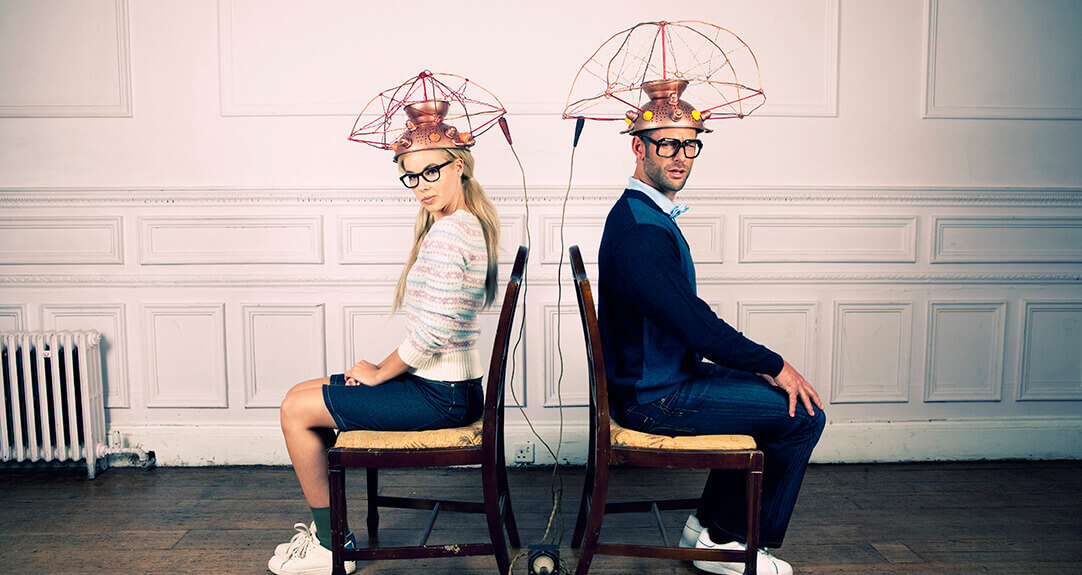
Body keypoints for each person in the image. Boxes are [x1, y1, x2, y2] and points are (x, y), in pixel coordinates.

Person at [596, 79, 825, 575]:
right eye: (667, 144)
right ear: (638, 147)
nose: (680, 156)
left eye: (690, 145)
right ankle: (730, 543)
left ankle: (707, 530)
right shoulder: (640, 232)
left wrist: (762, 369)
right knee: (801, 415)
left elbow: (689, 323)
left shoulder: (643, 213)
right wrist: (774, 364)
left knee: (777, 399)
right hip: (655, 398)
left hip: (669, 379)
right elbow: (697, 327)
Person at [268, 100, 500, 575]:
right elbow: (437, 328)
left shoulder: (451, 234)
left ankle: (333, 546)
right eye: (411, 177)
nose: (422, 187)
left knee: (295, 409)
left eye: (432, 172)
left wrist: (378, 373)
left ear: (459, 164)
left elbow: (432, 334)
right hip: (446, 387)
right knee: (299, 395)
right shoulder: (462, 225)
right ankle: (329, 533)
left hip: (441, 397)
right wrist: (383, 373)